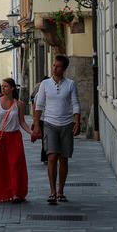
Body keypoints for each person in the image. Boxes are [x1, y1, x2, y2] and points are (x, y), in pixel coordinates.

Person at [32, 56, 81, 205]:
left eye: (58, 66)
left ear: (64, 68)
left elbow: (75, 104)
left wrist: (77, 121)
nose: (54, 68)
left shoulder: (71, 84)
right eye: (53, 65)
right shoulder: (44, 84)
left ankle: (61, 191)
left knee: (63, 158)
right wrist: (35, 126)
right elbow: (38, 105)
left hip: (66, 124)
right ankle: (52, 192)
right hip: (50, 124)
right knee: (52, 157)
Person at [0, 79, 33, 203]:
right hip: (0, 137)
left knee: (15, 165)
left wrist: (31, 132)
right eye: (2, 86)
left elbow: (22, 122)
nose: (3, 88)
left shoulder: (19, 104)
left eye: (6, 86)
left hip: (14, 138)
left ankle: (16, 193)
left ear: (12, 88)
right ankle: (0, 193)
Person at [31, 76, 50, 164]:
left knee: (46, 139)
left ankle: (48, 156)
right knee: (45, 139)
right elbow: (35, 108)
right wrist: (35, 121)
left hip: (50, 118)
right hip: (42, 119)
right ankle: (45, 157)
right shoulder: (39, 95)